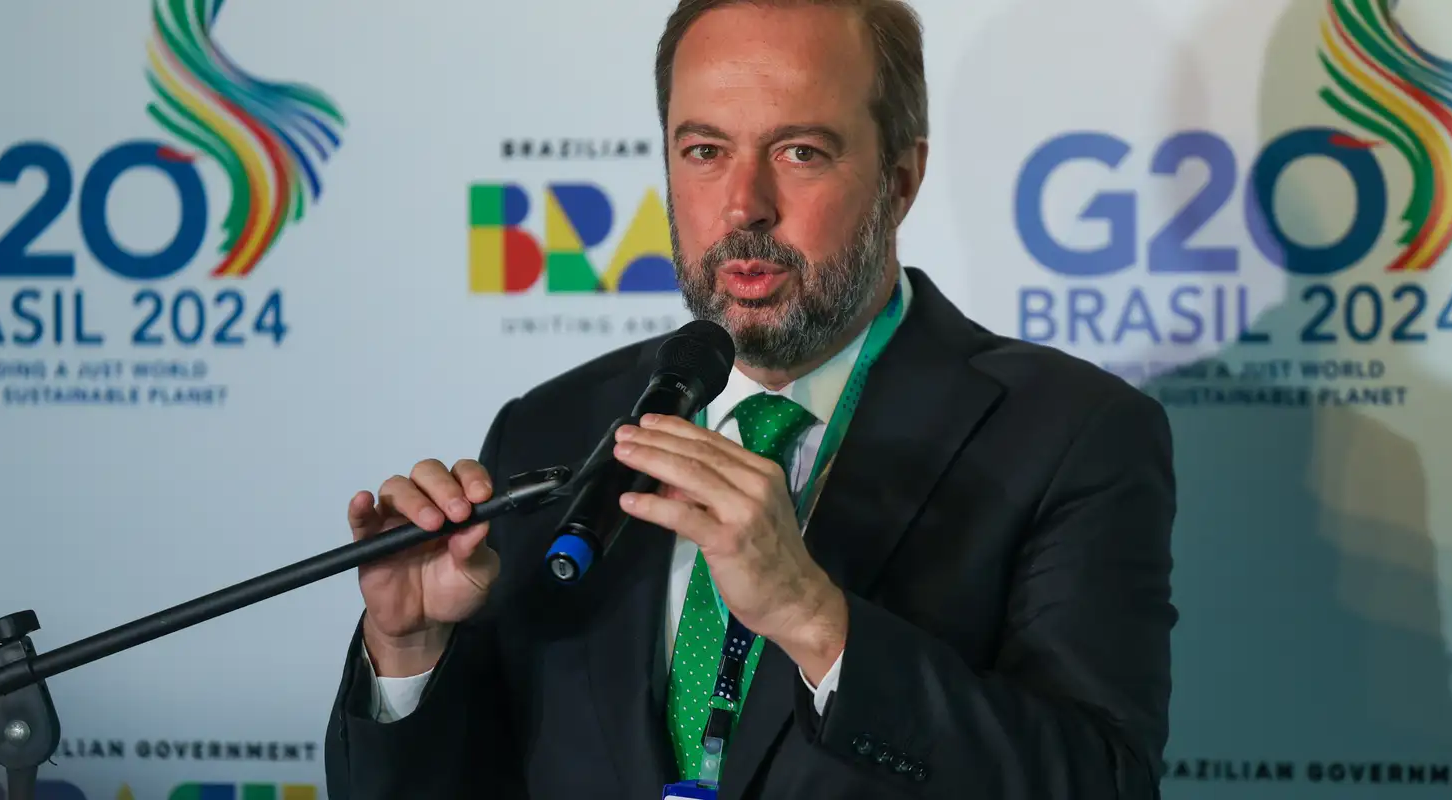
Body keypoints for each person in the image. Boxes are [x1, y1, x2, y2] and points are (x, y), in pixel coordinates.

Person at [322, 0, 1177, 797]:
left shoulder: (1071, 435)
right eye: (705, 151)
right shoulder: (553, 428)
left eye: (800, 151)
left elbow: (1103, 778)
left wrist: (816, 620)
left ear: (901, 179)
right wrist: (410, 652)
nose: (744, 207)